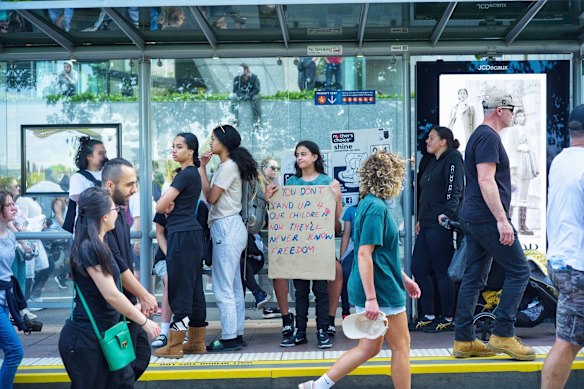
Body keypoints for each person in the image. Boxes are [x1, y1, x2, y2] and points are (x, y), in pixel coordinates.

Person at [298, 151, 421, 389]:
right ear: (390, 178)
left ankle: (318, 386)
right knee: (401, 346)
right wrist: (372, 299)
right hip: (381, 289)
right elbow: (364, 254)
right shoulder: (376, 208)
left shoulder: (366, 204)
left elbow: (380, 255)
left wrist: (404, 278)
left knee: (369, 347)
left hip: (379, 283)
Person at [452, 89, 534, 361]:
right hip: (486, 217)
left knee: (474, 276)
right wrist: (502, 220)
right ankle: (504, 334)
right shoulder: (488, 137)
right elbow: (486, 180)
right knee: (520, 270)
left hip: (473, 216)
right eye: (511, 109)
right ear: (500, 110)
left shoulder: (479, 135)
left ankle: (464, 340)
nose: (513, 114)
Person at [58, 187, 159, 388]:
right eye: (115, 210)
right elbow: (111, 294)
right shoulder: (90, 247)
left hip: (101, 335)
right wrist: (143, 321)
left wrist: (136, 308)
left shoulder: (99, 244)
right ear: (104, 216)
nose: (118, 213)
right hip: (88, 340)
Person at [268, 140, 343, 349]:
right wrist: (269, 199)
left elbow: (336, 220)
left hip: (320, 248)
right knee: (300, 291)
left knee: (321, 290)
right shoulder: (291, 183)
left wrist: (337, 198)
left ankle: (322, 330)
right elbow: (281, 216)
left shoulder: (328, 182)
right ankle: (300, 331)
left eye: (303, 154)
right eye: (297, 155)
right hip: (298, 248)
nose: (299, 158)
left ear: (315, 157)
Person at [199, 124, 257, 352]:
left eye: (213, 139)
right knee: (233, 284)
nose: (211, 143)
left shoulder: (227, 166)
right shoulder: (232, 164)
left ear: (223, 142)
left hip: (226, 227)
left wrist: (202, 169)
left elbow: (211, 198)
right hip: (234, 227)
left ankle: (229, 337)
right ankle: (236, 333)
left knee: (223, 285)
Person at [102, 158, 158, 379]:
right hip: (112, 311)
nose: (135, 190)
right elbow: (117, 264)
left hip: (126, 304)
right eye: (129, 184)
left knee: (140, 357)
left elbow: (123, 263)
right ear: (110, 186)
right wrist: (142, 295)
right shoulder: (101, 220)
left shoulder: (117, 213)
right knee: (122, 372)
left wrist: (139, 296)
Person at [540, 104, 584, 389]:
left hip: (561, 261)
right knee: (568, 341)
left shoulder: (562, 160)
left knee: (568, 340)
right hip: (579, 265)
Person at [155, 133, 208, 358]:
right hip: (191, 235)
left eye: (179, 147)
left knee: (180, 292)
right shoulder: (193, 174)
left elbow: (159, 206)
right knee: (194, 290)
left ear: (191, 151)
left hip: (181, 235)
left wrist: (167, 204)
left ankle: (174, 345)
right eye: (173, 147)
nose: (174, 151)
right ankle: (197, 342)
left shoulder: (184, 175)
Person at [411, 127, 464, 332]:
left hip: (441, 222)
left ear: (443, 141)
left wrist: (448, 214)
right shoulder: (429, 161)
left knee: (442, 271)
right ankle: (429, 314)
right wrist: (420, 219)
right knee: (419, 268)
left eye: (431, 138)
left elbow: (455, 187)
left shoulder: (453, 158)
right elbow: (423, 194)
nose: (427, 141)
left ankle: (449, 316)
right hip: (426, 222)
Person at [150, 167, 180, 349]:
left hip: (185, 257)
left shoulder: (195, 207)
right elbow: (159, 233)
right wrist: (170, 255)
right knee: (170, 279)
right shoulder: (164, 205)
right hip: (166, 257)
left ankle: (182, 330)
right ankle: (164, 331)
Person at [500, 108, 539, 235]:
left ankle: (522, 225)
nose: (521, 118)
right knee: (514, 195)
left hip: (527, 163)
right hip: (517, 164)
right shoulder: (512, 131)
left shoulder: (526, 131)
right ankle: (509, 223)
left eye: (523, 116)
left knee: (524, 195)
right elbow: (510, 149)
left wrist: (535, 166)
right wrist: (513, 168)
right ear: (515, 118)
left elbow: (532, 149)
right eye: (519, 116)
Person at [0, 191, 24, 389]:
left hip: (6, 301)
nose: (14, 207)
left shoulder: (11, 236)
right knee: (15, 352)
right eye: (9, 205)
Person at [339, 204, 358, 319]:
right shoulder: (351, 210)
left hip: (372, 249)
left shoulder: (378, 207)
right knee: (345, 272)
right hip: (354, 248)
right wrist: (342, 257)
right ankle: (345, 310)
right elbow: (346, 235)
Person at [448, 88, 475, 152]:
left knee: (464, 142)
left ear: (467, 95)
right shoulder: (455, 106)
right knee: (456, 140)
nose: (462, 95)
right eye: (461, 93)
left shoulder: (470, 106)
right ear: (458, 95)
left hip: (464, 126)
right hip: (456, 125)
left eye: (464, 93)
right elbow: (452, 118)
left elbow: (472, 119)